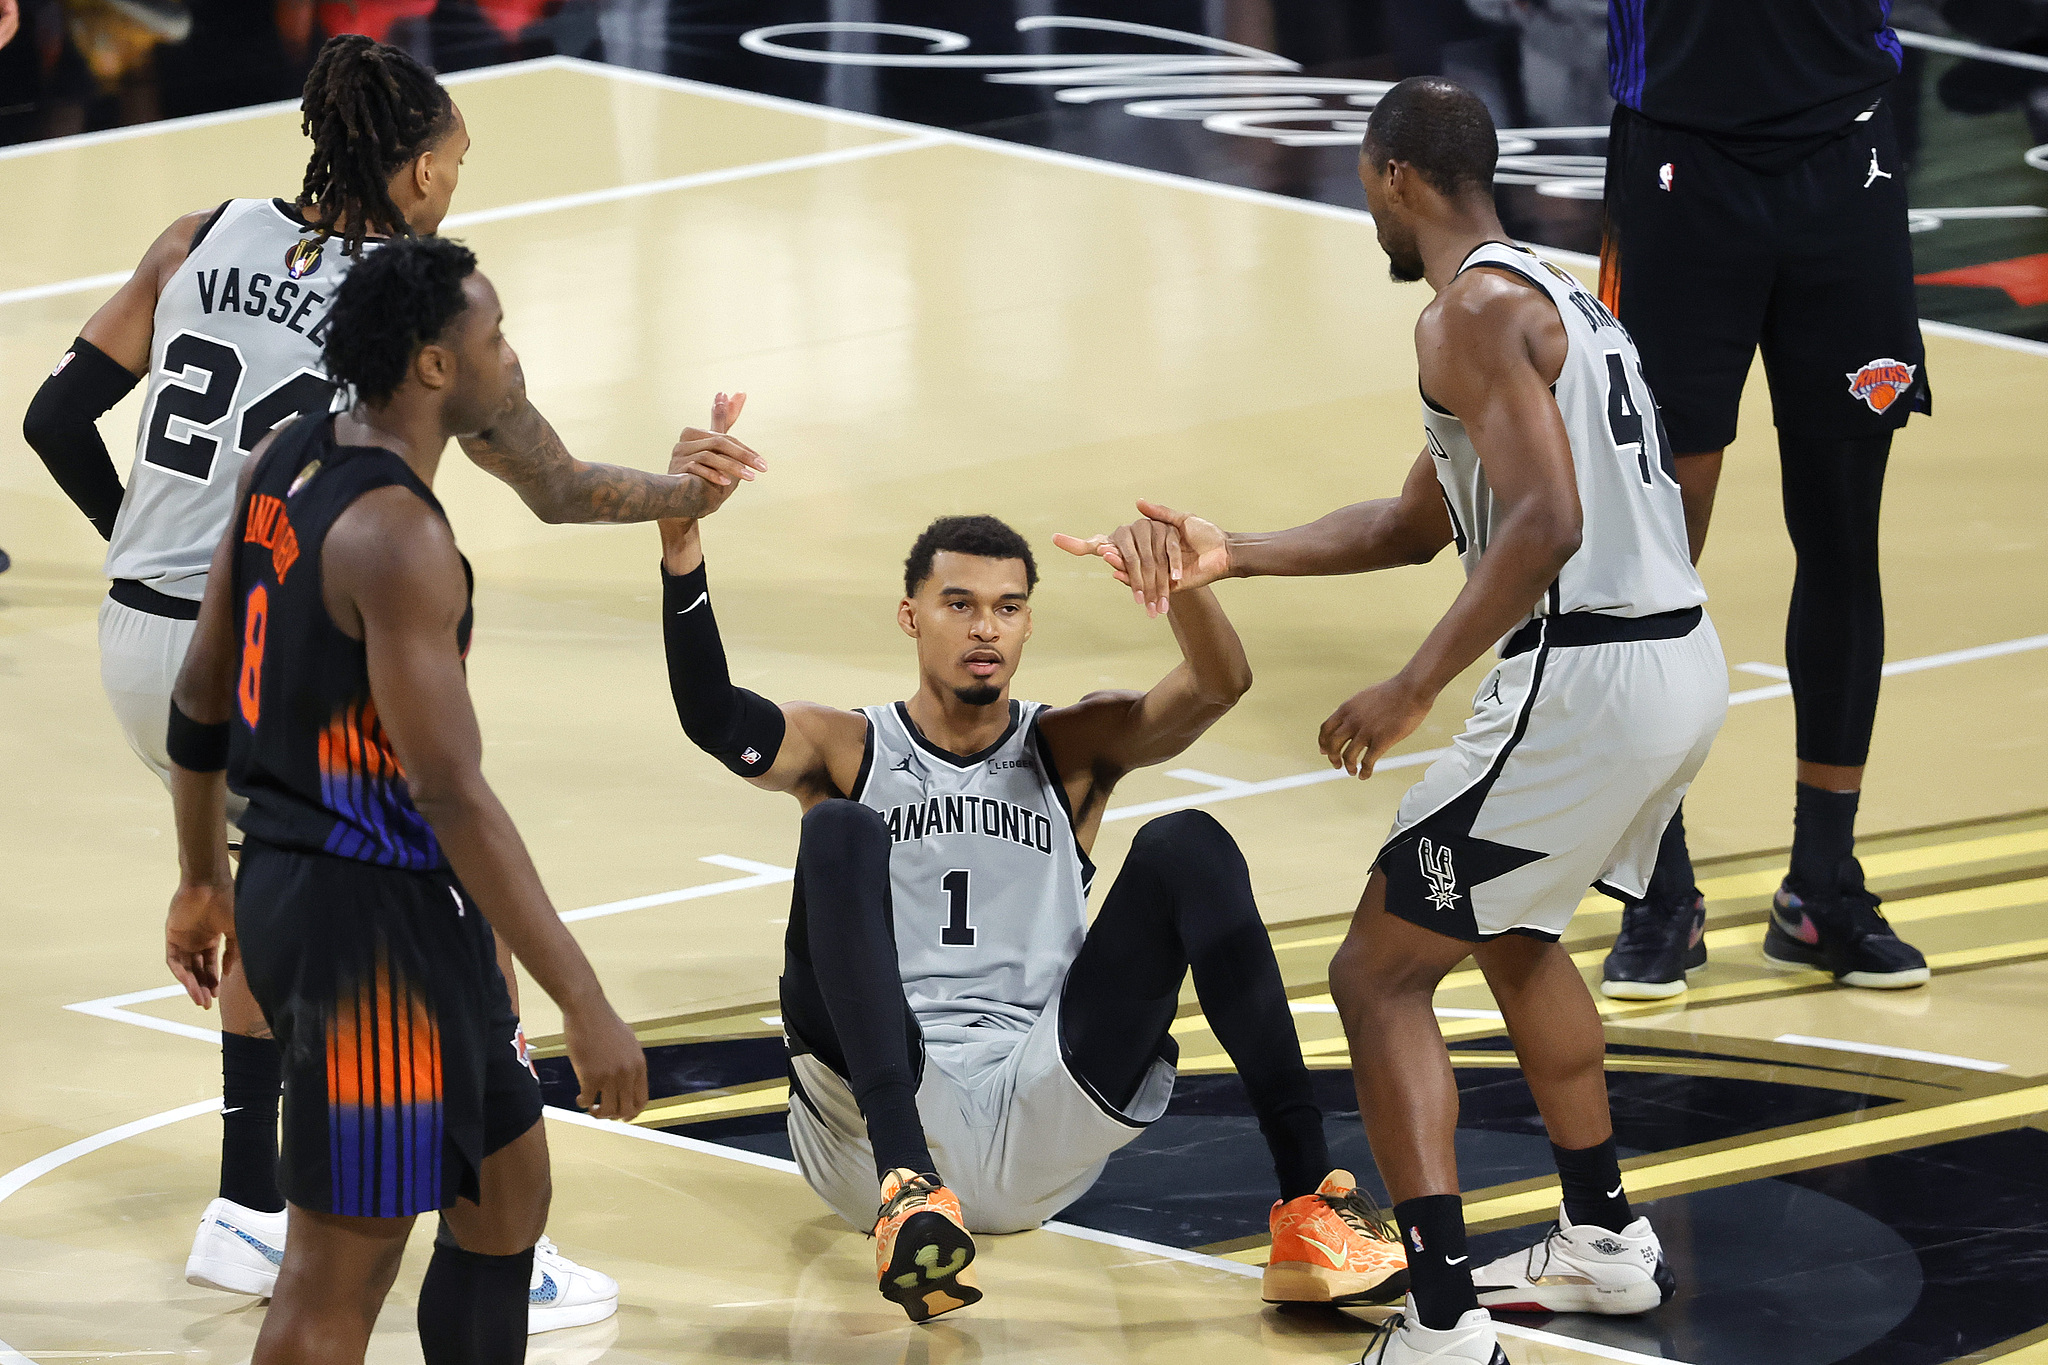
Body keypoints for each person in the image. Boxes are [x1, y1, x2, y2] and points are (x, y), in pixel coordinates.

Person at [19, 32, 755, 1329]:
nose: (457, 186)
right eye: (455, 164)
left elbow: (53, 417)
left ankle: (258, 1201)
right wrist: (684, 494)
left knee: (281, 883)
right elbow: (554, 488)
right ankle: (426, 1211)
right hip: (291, 641)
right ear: (417, 175)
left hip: (156, 636)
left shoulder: (200, 238)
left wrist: (138, 545)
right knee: (443, 905)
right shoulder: (421, 329)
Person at [1109, 77, 1725, 1363]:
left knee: (1375, 972)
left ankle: (1441, 1319)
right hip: (1675, 662)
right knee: (1512, 932)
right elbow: (1412, 523)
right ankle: (1603, 1236)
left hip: (1585, 673)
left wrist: (1412, 683)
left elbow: (1545, 523)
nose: (1365, 209)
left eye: (1363, 184)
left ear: (1393, 176)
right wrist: (1236, 552)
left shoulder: (1465, 315)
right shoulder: (1551, 299)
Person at [652, 402, 1409, 1323]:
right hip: (874, 1122)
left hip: (1040, 1093)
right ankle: (908, 1190)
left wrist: (1186, 582)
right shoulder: (847, 745)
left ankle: (1311, 1204)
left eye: (1007, 608)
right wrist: (681, 540)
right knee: (839, 830)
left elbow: (1219, 686)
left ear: (1027, 626)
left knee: (1188, 844)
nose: (986, 628)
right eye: (960, 604)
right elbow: (715, 717)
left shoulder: (1070, 747)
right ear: (910, 616)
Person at [163, 234, 651, 1365]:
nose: (511, 358)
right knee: (338, 1272)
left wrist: (201, 877)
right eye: (495, 338)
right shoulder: (396, 535)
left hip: (355, 896)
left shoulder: (284, 456)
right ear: (434, 365)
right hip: (363, 921)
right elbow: (449, 793)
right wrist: (584, 1002)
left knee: (506, 1192)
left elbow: (200, 693)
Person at [1597, 0, 1930, 999]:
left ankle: (1823, 885)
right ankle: (1659, 884)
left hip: (1846, 153)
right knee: (1652, 554)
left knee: (1842, 539)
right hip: (1678, 162)